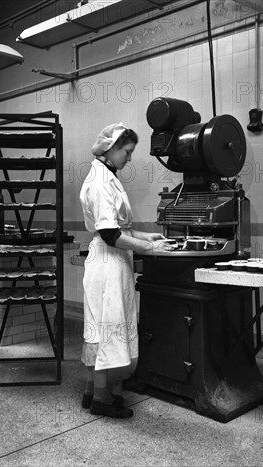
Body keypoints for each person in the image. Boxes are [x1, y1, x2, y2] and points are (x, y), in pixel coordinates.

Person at [79, 123, 173, 418]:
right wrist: (150, 250)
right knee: (109, 330)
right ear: (111, 148)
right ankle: (102, 400)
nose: (129, 158)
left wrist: (148, 237)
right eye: (128, 152)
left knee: (100, 328)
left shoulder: (106, 175)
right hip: (108, 262)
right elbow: (110, 234)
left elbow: (120, 227)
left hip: (110, 260)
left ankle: (91, 391)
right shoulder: (101, 181)